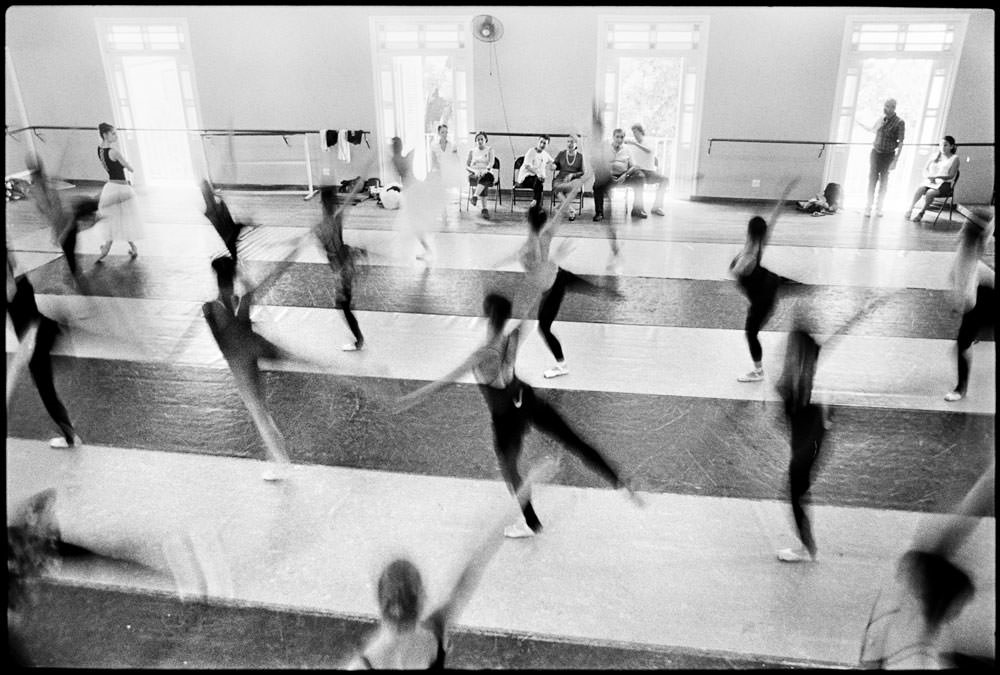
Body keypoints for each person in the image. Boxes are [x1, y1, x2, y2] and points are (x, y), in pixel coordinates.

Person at [395, 292, 642, 539]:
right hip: (527, 400)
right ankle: (618, 479)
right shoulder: (511, 338)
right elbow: (528, 312)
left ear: (486, 316)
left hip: (506, 418)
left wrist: (410, 399)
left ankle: (531, 523)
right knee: (573, 440)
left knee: (511, 471)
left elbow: (445, 381)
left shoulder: (482, 355)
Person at [346, 460, 556, 669]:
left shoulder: (363, 664)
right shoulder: (435, 632)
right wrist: (527, 485)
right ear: (421, 599)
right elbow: (477, 560)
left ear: (380, 601)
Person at [501, 190, 621, 379]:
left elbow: (535, 270)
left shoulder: (528, 248)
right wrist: (573, 190)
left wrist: (501, 261)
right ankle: (605, 292)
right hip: (559, 276)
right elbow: (563, 210)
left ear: (527, 221)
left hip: (552, 285)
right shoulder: (546, 235)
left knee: (543, 327)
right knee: (581, 287)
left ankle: (561, 365)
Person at [202, 255, 294, 481]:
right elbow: (270, 279)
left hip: (241, 365)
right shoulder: (241, 301)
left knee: (260, 414)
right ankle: (278, 460)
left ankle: (281, 462)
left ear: (216, 278)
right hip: (253, 351)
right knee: (262, 412)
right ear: (232, 277)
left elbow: (225, 340)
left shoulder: (209, 309)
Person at [6, 245, 83, 448]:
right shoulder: (21, 281)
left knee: (45, 388)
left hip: (36, 341)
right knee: (45, 386)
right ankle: (69, 434)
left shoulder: (11, 289)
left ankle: (70, 437)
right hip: (45, 330)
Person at [730, 178, 800, 382]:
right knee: (776, 283)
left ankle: (758, 372)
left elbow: (737, 273)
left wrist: (736, 270)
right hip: (770, 284)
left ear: (749, 230)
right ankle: (793, 285)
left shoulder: (749, 255)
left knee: (751, 333)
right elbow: (775, 218)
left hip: (764, 298)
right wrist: (784, 195)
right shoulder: (759, 243)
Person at [774, 324, 829, 563]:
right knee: (796, 494)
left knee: (795, 495)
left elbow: (786, 388)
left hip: (807, 449)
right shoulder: (802, 376)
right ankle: (807, 546)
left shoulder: (796, 387)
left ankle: (807, 549)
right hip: (810, 441)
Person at [943, 217, 994, 402]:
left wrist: (957, 305)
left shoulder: (969, 257)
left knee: (962, 343)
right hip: (984, 290)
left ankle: (960, 389)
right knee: (964, 342)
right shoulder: (967, 250)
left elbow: (968, 300)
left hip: (984, 295)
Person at [318, 184, 367, 351]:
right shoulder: (333, 219)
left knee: (343, 305)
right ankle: (358, 339)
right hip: (343, 266)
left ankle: (359, 340)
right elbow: (348, 201)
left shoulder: (325, 224)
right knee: (343, 304)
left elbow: (332, 249)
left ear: (323, 203)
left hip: (342, 269)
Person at [95, 122, 143, 261]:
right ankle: (108, 247)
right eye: (113, 133)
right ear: (105, 134)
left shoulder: (99, 150)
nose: (115, 136)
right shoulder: (113, 152)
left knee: (115, 219)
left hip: (110, 187)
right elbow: (128, 167)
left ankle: (126, 247)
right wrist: (131, 167)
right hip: (121, 189)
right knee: (125, 219)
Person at [855, 99, 905, 218]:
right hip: (876, 153)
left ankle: (879, 208)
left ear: (893, 108)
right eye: (885, 106)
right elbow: (873, 130)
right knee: (872, 179)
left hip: (888, 155)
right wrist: (859, 124)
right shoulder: (881, 119)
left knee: (884, 181)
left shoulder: (899, 122)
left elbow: (901, 142)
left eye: (888, 106)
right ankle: (868, 207)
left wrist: (896, 160)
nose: (885, 108)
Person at [592, 128, 647, 221]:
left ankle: (637, 210)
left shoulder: (627, 149)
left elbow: (634, 166)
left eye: (622, 137)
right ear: (613, 137)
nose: (619, 139)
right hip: (608, 177)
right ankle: (599, 213)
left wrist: (625, 175)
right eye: (617, 137)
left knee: (640, 177)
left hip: (623, 177)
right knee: (597, 185)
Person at [908, 136, 959, 222]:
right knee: (920, 189)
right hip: (930, 181)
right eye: (941, 145)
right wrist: (928, 176)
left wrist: (937, 177)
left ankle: (921, 213)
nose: (942, 147)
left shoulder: (955, 159)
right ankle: (910, 209)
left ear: (951, 146)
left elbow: (951, 175)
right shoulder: (934, 155)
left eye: (945, 145)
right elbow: (925, 169)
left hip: (944, 183)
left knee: (930, 193)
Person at [625, 123, 668, 216]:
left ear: (641, 132)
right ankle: (638, 209)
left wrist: (635, 143)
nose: (634, 135)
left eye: (635, 132)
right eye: (633, 133)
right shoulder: (632, 144)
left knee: (665, 180)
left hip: (650, 172)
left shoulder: (648, 141)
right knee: (639, 178)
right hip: (638, 171)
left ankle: (657, 207)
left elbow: (648, 150)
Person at [551, 135, 586, 221]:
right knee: (557, 187)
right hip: (561, 178)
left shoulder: (580, 157)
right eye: (568, 141)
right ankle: (571, 210)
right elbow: (555, 163)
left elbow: (583, 172)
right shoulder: (561, 154)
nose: (569, 144)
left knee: (569, 189)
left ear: (576, 144)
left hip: (574, 180)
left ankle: (559, 208)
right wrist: (553, 166)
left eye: (572, 142)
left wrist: (572, 175)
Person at [515, 134, 553, 208]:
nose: (542, 144)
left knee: (540, 183)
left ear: (547, 145)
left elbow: (554, 162)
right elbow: (527, 166)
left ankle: (535, 203)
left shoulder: (545, 154)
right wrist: (538, 173)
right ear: (538, 141)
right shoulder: (531, 151)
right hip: (525, 179)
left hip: (536, 181)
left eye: (544, 143)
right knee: (539, 183)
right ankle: (536, 203)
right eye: (541, 142)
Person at [466, 131, 496, 218]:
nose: (480, 141)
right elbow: (467, 166)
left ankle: (475, 196)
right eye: (478, 139)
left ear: (485, 140)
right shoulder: (472, 151)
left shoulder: (490, 150)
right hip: (474, 173)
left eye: (481, 139)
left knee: (485, 177)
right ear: (475, 141)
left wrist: (485, 170)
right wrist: (474, 171)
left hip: (486, 173)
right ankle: (484, 209)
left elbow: (491, 163)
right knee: (483, 182)